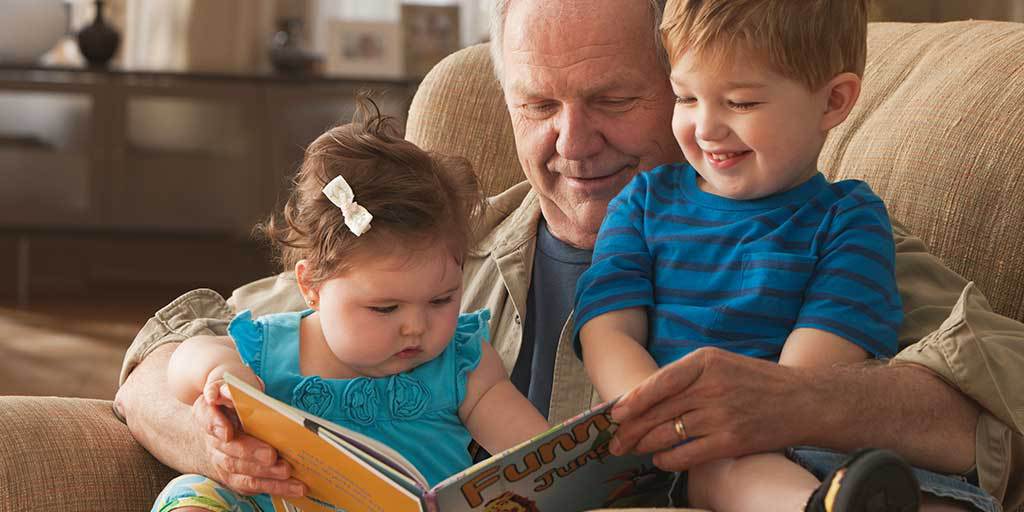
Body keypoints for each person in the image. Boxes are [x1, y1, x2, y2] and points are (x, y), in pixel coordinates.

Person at [115, 0, 1022, 510]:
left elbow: (1002, 379)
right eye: (538, 107)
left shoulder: (811, 226)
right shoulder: (436, 257)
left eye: (613, 100)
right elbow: (175, 338)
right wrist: (227, 439)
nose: (572, 143)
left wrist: (799, 399)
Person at [573, 0, 921, 510]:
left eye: (740, 103)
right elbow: (606, 330)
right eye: (686, 97)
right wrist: (670, 424)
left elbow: (803, 380)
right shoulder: (643, 203)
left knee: (940, 494)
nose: (706, 128)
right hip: (675, 452)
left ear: (833, 102)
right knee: (731, 472)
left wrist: (748, 419)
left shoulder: (851, 219)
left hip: (798, 432)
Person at [149, 99, 549, 511]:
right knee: (193, 493)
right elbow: (186, 360)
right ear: (311, 287)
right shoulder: (274, 348)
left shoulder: (463, 362)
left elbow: (536, 457)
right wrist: (220, 374)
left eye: (441, 300)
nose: (416, 326)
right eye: (385, 308)